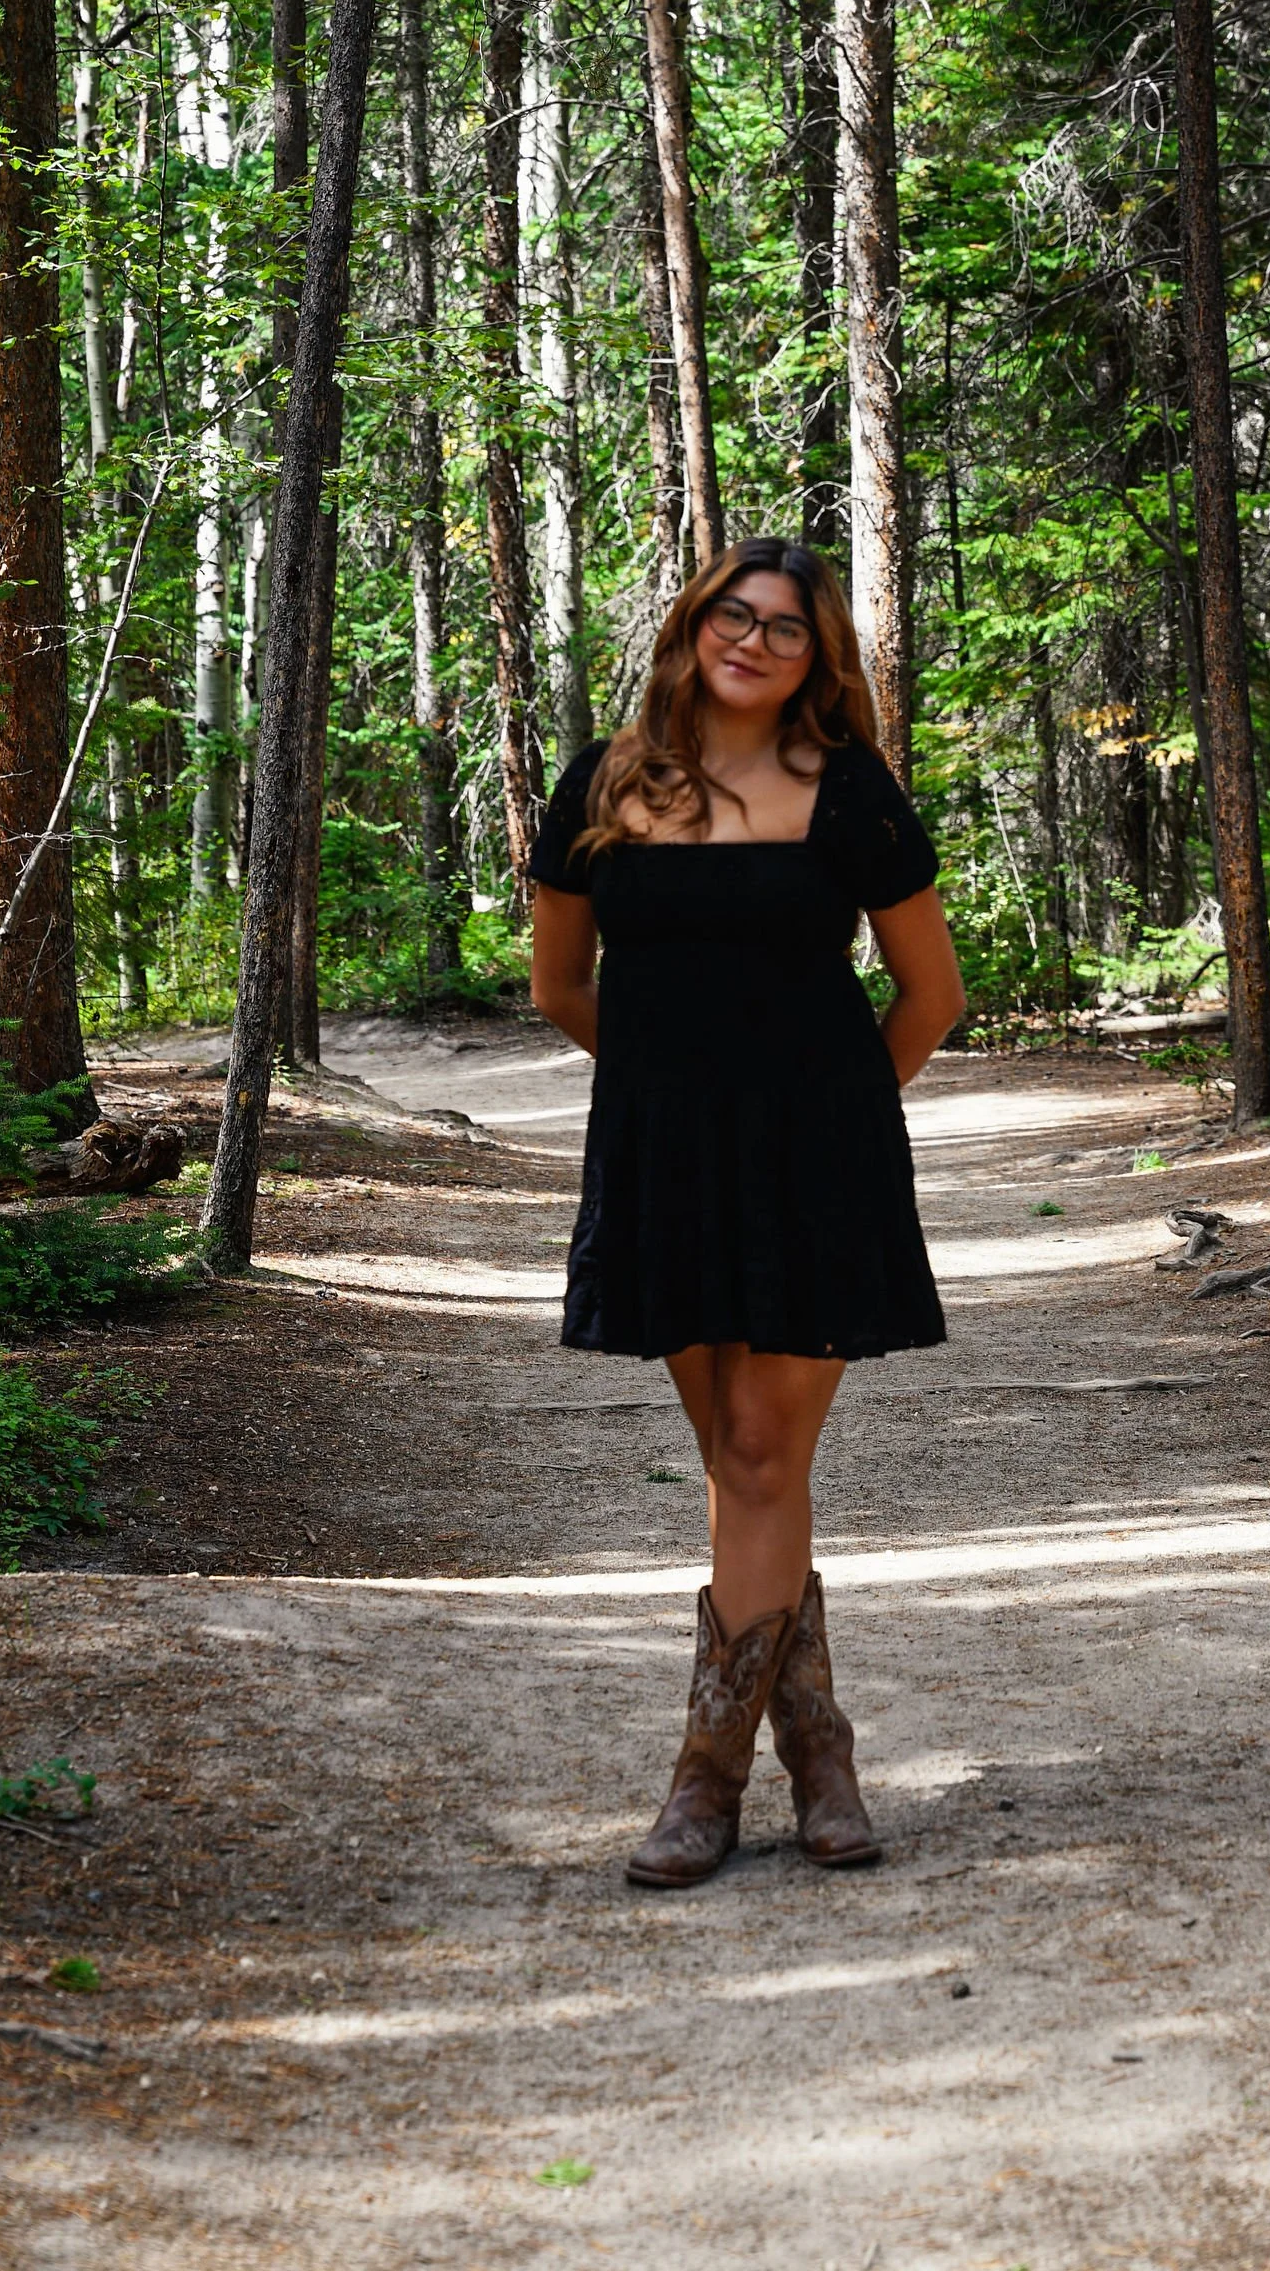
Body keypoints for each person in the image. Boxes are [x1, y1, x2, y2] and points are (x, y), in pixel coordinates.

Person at [528, 536, 965, 1890]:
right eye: (737, 614)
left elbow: (930, 997)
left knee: (766, 1445)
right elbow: (559, 986)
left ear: (816, 659)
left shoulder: (851, 794)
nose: (756, 641)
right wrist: (683, 1098)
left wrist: (823, 1118)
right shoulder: (601, 784)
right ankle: (819, 1749)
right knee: (734, 1456)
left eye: (787, 628)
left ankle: (705, 1785)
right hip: (666, 1161)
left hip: (818, 1162)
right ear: (693, 622)